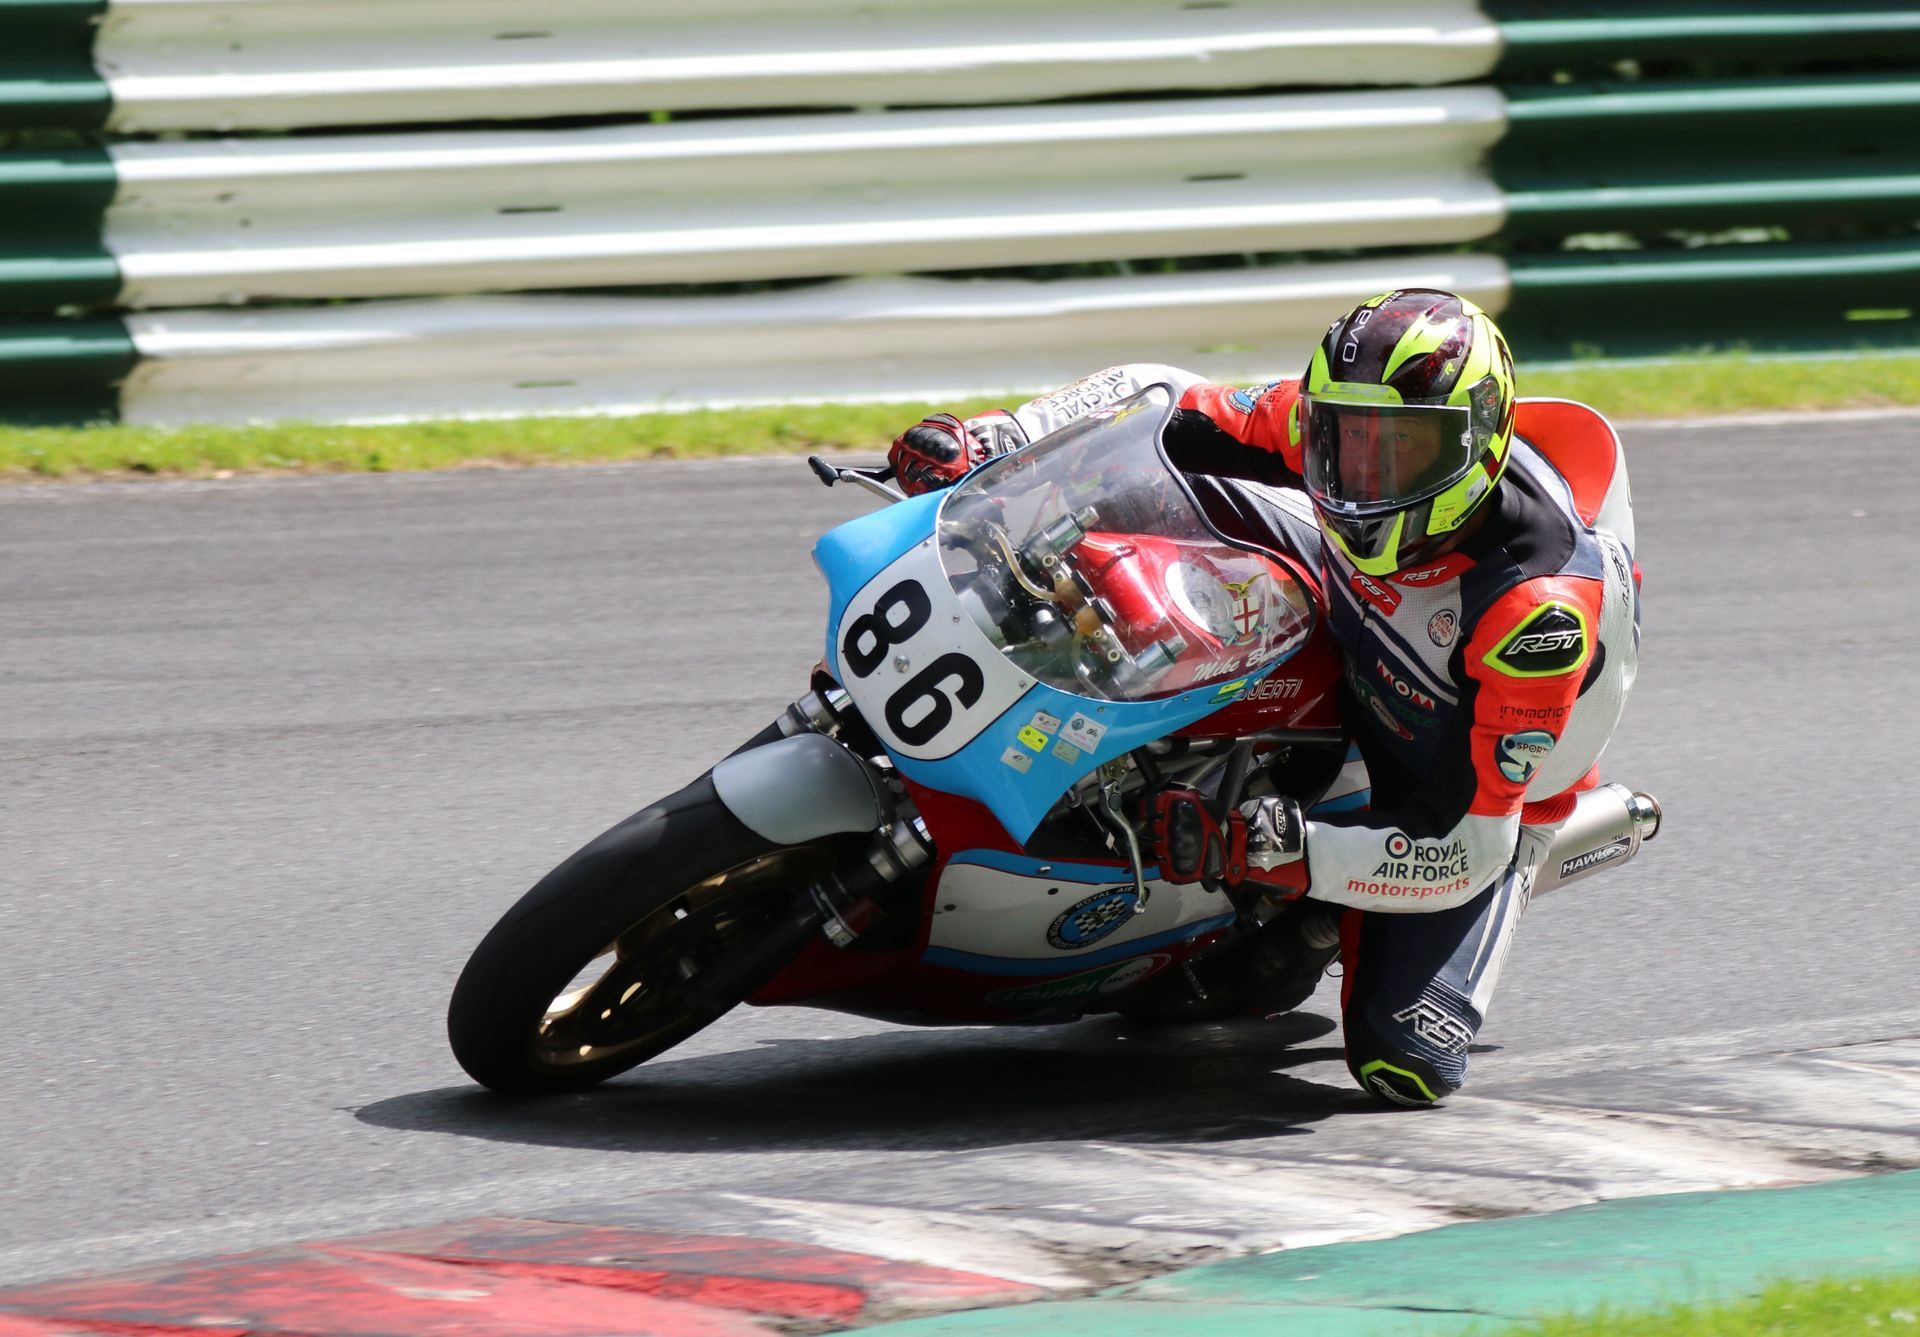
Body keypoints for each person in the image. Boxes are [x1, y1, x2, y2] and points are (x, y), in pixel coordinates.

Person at [887, 289, 1640, 1106]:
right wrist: (1006, 438)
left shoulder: (1536, 620)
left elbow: (1463, 847)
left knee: (1406, 1058)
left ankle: (1327, 921)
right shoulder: (1324, 434)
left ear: (1478, 450)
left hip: (1452, 778)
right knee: (1142, 492)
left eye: (1403, 453)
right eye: (1347, 441)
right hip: (1353, 610)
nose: (1363, 477)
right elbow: (1160, 401)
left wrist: (1276, 852)